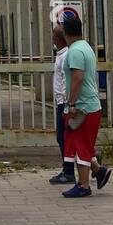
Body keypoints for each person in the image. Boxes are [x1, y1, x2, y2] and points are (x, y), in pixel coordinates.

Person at [60, 13, 110, 198]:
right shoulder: (85, 47)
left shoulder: (74, 51)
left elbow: (77, 77)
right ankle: (98, 171)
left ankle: (83, 184)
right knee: (82, 143)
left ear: (65, 32)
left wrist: (71, 104)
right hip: (90, 105)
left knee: (80, 146)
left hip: (82, 106)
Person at [48, 24, 76, 185]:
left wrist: (67, 102)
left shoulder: (66, 56)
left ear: (58, 39)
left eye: (53, 36)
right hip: (61, 101)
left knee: (63, 137)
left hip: (64, 102)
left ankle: (69, 170)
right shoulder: (61, 54)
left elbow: (67, 80)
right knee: (67, 137)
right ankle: (92, 159)